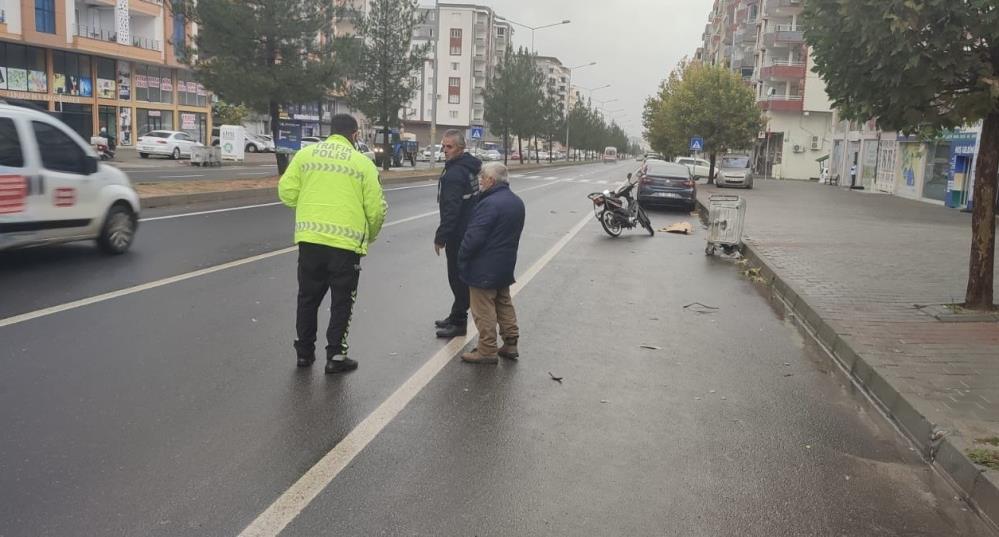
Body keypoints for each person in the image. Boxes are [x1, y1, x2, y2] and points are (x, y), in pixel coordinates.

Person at [278, 114, 387, 374]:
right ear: (354, 135)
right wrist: (369, 235)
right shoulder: (362, 164)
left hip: (310, 241)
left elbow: (287, 193)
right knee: (341, 301)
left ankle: (304, 353)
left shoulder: (305, 156)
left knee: (307, 298)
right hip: (345, 246)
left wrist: (310, 207)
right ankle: (336, 355)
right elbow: (376, 209)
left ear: (331, 132)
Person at [458, 162, 526, 364]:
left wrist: (462, 256)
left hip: (483, 265)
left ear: (491, 180)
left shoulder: (489, 204)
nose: (480, 180)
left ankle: (487, 349)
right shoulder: (516, 201)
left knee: (483, 308)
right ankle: (511, 342)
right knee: (503, 301)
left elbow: (475, 236)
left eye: (483, 177)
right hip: (505, 262)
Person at [433, 129, 481, 338]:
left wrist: (441, 237)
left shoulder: (455, 174)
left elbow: (451, 210)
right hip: (469, 229)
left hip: (459, 234)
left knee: (458, 278)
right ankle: (456, 314)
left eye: (449, 146)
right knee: (460, 277)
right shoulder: (467, 167)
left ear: (460, 148)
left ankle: (459, 323)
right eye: (443, 146)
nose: (444, 150)